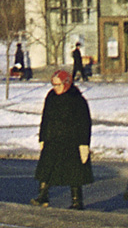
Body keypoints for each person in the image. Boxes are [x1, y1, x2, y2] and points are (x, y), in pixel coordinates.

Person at [30, 70, 93, 210]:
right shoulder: (51, 97)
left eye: (58, 85)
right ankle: (43, 196)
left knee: (74, 172)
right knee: (46, 169)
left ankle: (77, 201)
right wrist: (43, 137)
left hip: (72, 141)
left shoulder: (76, 99)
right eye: (53, 85)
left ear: (66, 83)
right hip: (53, 139)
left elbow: (84, 122)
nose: (55, 88)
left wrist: (84, 144)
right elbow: (45, 118)